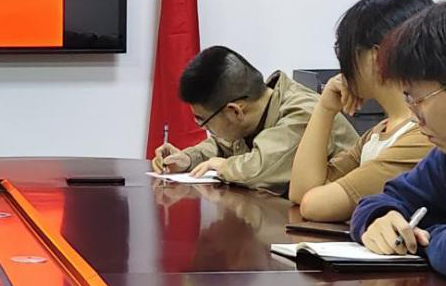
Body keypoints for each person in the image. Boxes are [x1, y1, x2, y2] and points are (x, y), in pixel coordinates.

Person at [289, 0, 433, 221]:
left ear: (376, 57)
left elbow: (314, 205)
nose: (343, 65)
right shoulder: (377, 133)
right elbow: (301, 190)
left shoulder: (422, 136)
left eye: (345, 52)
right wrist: (325, 108)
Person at [351, 1, 446, 281]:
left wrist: (426, 237)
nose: (415, 117)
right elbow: (388, 198)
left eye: (418, 99)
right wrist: (380, 218)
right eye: (408, 100)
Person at [152, 45, 358, 195]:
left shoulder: (302, 112)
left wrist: (223, 167)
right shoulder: (256, 109)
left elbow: (260, 169)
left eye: (203, 121)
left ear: (234, 111)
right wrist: (188, 159)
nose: (204, 128)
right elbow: (223, 144)